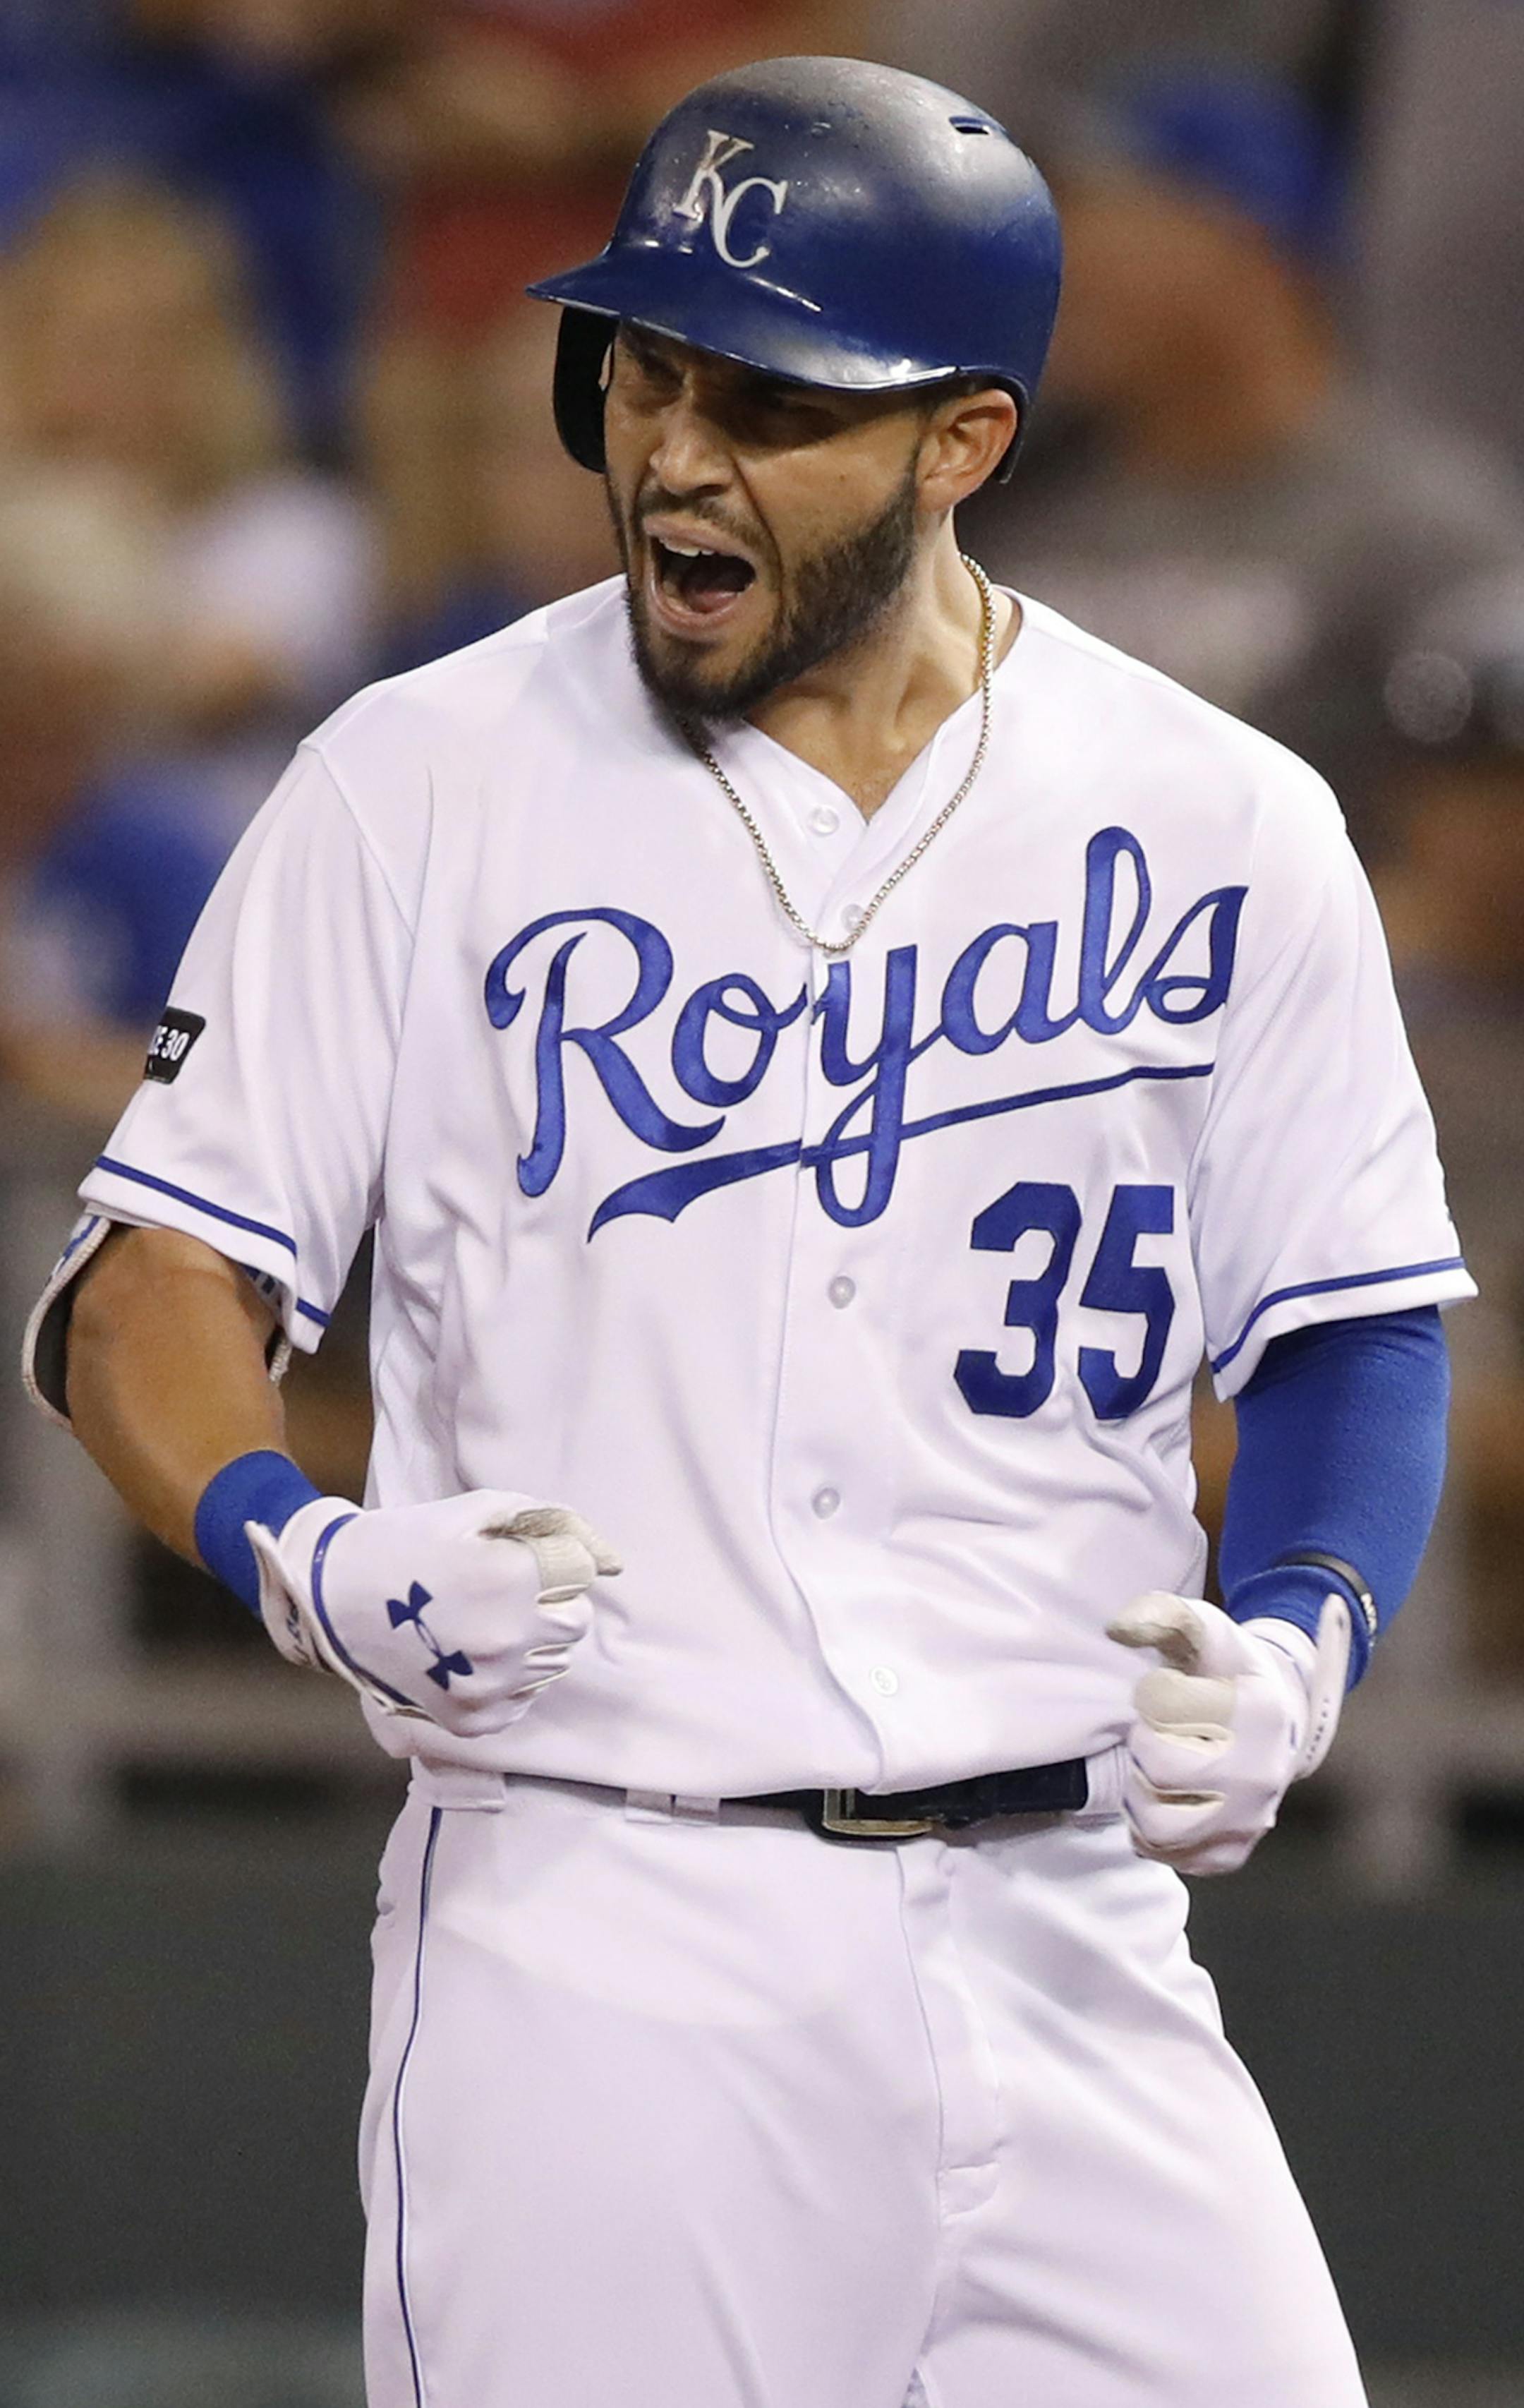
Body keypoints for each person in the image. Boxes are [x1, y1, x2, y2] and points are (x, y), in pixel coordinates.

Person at [27, 56, 1470, 2408]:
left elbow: (1354, 1318)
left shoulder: (1224, 817)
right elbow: (148, 1286)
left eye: (774, 402)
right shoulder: (421, 778)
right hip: (610, 1918)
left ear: (961, 442)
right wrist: (302, 1542)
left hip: (1073, 1925)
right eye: (648, 374)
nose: (678, 456)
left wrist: (1307, 1632)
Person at [961, 66, 1524, 854]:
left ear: (1251, 239)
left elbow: (1489, 844)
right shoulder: (1013, 521)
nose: (1069, 260)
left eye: (1107, 213)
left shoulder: (1426, 528)